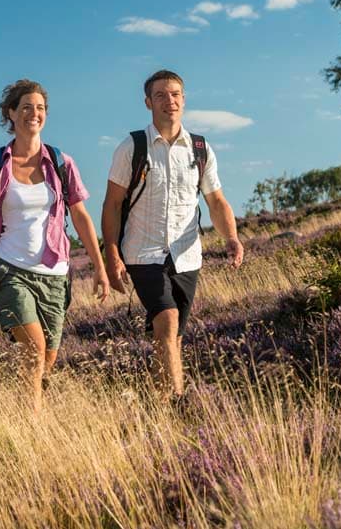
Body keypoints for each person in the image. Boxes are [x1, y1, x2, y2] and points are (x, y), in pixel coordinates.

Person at [0, 79, 108, 413]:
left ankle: (27, 406)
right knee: (33, 348)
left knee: (47, 359)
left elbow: (82, 217)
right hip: (11, 267)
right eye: (27, 107)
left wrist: (100, 267)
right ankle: (32, 423)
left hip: (55, 272)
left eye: (40, 108)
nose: (35, 113)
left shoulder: (62, 164)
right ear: (11, 113)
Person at [101, 69, 244, 399]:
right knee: (167, 320)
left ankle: (158, 400)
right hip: (142, 252)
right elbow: (112, 204)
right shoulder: (132, 147)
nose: (170, 100)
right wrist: (111, 251)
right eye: (162, 95)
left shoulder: (200, 148)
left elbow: (216, 200)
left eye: (176, 94)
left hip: (187, 255)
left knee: (173, 335)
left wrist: (231, 237)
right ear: (148, 102)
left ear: (184, 99)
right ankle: (179, 402)